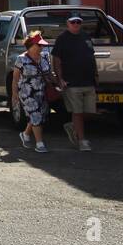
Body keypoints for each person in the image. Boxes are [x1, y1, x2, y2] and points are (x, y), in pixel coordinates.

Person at [52, 15, 98, 152]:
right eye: (73, 22)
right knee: (77, 112)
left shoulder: (85, 37)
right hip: (71, 82)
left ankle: (73, 126)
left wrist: (96, 74)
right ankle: (82, 140)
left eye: (78, 22)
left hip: (88, 80)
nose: (76, 24)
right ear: (68, 23)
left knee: (90, 112)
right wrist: (60, 78)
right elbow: (56, 59)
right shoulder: (62, 39)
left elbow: (91, 56)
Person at [11, 30, 53, 152]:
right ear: (31, 45)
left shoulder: (45, 56)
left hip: (42, 90)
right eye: (39, 45)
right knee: (35, 115)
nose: (42, 47)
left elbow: (49, 73)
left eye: (42, 45)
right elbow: (15, 78)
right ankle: (40, 144)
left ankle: (25, 134)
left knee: (39, 116)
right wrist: (14, 94)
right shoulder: (21, 59)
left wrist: (58, 82)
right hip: (27, 92)